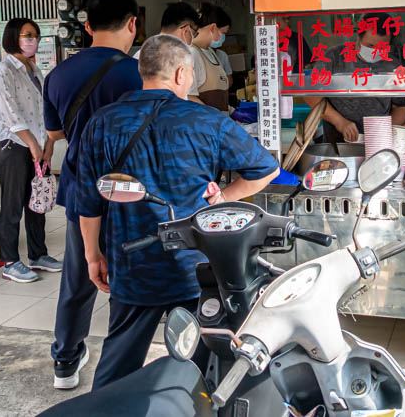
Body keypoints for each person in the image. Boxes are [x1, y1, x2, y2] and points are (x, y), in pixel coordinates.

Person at [76, 34, 280, 390]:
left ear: (143, 72)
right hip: (197, 267)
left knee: (118, 363)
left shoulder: (103, 121)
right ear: (183, 73)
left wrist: (92, 255)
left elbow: (89, 200)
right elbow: (266, 170)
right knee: (204, 365)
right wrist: (221, 199)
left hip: (131, 264)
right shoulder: (206, 121)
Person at [44, 0, 143, 390]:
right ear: (133, 23)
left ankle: (65, 362)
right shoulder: (138, 73)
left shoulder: (58, 74)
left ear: (87, 26)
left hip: (80, 188)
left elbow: (56, 132)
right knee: (128, 273)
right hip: (130, 188)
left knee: (79, 275)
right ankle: (122, 368)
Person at [0, 17, 62, 284]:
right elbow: (10, 113)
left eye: (36, 35)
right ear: (13, 38)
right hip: (12, 145)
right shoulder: (3, 71)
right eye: (27, 35)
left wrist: (47, 145)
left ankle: (38, 254)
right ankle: (10, 261)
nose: (34, 40)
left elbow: (42, 111)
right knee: (12, 203)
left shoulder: (33, 69)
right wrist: (33, 144)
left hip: (35, 145)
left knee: (36, 203)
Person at [305, 13, 405, 143]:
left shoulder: (393, 65)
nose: (376, 51)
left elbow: (401, 107)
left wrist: (384, 131)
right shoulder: (334, 57)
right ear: (358, 37)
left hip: (378, 144)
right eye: (371, 46)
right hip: (338, 143)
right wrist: (339, 121)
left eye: (382, 47)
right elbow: (311, 95)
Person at [189, 2, 232, 110]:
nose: (224, 37)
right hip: (203, 123)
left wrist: (231, 111)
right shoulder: (192, 54)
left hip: (216, 123)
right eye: (223, 32)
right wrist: (215, 117)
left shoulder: (211, 52)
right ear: (213, 28)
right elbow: (189, 97)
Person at [132, 2, 198, 59]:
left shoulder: (139, 55)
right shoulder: (186, 59)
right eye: (194, 34)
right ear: (186, 30)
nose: (193, 38)